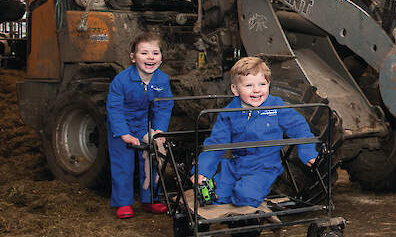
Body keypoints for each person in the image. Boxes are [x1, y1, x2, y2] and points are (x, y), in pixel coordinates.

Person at [192, 57, 318, 208]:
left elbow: (299, 127)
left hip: (264, 166)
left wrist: (308, 152)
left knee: (244, 195)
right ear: (235, 89)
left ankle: (245, 209)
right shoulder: (228, 113)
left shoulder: (275, 106)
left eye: (262, 84)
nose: (257, 90)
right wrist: (203, 170)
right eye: (249, 85)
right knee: (214, 194)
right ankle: (220, 196)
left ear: (269, 85)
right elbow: (216, 143)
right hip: (237, 164)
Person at [106, 31, 173, 219]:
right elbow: (114, 108)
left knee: (151, 160)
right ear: (133, 58)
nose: (150, 57)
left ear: (161, 57)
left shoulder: (162, 80)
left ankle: (150, 199)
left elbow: (164, 106)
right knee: (123, 164)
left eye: (155, 53)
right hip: (122, 124)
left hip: (146, 122)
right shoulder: (121, 80)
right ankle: (123, 203)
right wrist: (123, 133)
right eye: (144, 53)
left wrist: (159, 129)